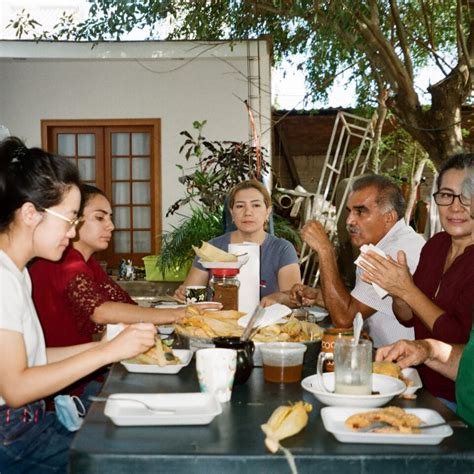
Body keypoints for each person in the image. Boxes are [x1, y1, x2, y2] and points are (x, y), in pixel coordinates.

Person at [0, 137, 156, 473]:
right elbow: (15, 388)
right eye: (70, 219)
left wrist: (108, 343)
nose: (72, 233)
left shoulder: (17, 273)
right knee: (127, 462)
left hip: (27, 422)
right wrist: (107, 353)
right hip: (10, 434)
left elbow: (35, 359)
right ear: (30, 213)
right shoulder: (2, 277)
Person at [30, 184, 219, 349]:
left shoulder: (88, 262)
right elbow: (100, 311)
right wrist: (177, 313)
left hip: (81, 368)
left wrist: (172, 314)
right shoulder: (64, 260)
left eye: (110, 218)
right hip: (61, 378)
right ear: (73, 218)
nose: (111, 226)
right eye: (100, 218)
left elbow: (124, 305)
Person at [360, 155, 474, 408]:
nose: (455, 207)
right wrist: (396, 290)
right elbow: (408, 316)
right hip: (419, 384)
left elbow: (457, 337)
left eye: (467, 195)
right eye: (446, 195)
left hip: (460, 398)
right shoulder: (435, 245)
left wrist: (407, 290)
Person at [288, 175, 425, 348]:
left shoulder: (393, 253)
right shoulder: (388, 242)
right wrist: (319, 297)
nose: (349, 221)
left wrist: (325, 250)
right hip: (384, 354)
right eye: (349, 211)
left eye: (360, 212)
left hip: (401, 365)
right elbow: (360, 305)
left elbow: (345, 319)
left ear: (388, 217)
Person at [174, 179, 301, 306]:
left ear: (268, 211)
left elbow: (293, 298)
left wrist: (279, 298)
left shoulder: (282, 249)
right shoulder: (212, 248)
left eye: (256, 205)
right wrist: (183, 295)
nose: (248, 212)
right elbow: (192, 295)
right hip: (220, 322)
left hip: (266, 323)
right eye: (240, 206)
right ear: (231, 212)